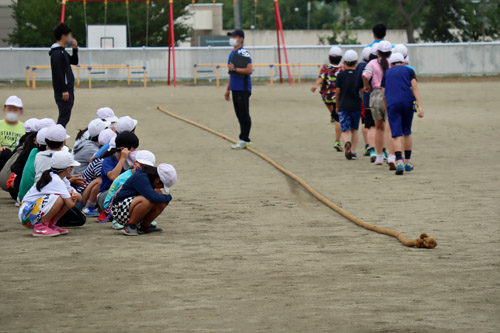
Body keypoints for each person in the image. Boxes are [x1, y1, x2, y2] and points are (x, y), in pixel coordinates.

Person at [19, 151, 82, 237]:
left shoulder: (61, 179)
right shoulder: (56, 180)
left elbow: (80, 198)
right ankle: (40, 227)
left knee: (63, 198)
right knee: (59, 198)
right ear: (68, 169)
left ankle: (50, 224)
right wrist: (73, 197)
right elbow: (71, 204)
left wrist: (74, 195)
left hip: (30, 213)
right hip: (26, 215)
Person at [382, 53, 424, 175]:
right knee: (407, 131)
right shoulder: (409, 71)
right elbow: (415, 88)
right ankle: (408, 162)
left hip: (393, 104)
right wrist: (420, 106)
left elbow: (384, 94)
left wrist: (386, 109)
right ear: (403, 62)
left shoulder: (387, 73)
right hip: (407, 102)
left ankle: (399, 160)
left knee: (396, 133)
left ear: (391, 63)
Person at [113, 163, 176, 236]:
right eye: (162, 185)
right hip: (119, 209)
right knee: (147, 201)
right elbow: (152, 197)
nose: (161, 188)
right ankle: (130, 225)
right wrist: (169, 197)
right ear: (157, 180)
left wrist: (164, 198)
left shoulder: (147, 175)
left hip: (131, 207)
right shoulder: (141, 177)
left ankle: (144, 226)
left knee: (161, 201)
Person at [103, 150, 156, 230]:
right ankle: (116, 221)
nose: (144, 169)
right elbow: (117, 196)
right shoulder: (127, 177)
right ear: (135, 163)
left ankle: (142, 220)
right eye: (142, 165)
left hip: (125, 203)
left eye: (147, 167)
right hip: (112, 206)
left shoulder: (142, 176)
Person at [363, 40, 393, 167]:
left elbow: (365, 75)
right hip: (390, 95)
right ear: (390, 52)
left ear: (377, 52)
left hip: (375, 95)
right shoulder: (393, 63)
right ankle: (392, 156)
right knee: (390, 128)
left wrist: (366, 87)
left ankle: (379, 156)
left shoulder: (372, 63)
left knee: (379, 128)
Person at [311, 46, 344, 151]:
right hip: (338, 97)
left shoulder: (325, 68)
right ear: (340, 58)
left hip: (327, 96)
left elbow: (321, 77)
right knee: (338, 118)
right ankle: (337, 141)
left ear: (329, 58)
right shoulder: (342, 69)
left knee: (330, 107)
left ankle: (333, 114)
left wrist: (316, 86)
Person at [224, 29, 253, 150]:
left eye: (235, 36)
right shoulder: (232, 53)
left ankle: (244, 138)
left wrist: (235, 69)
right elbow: (231, 73)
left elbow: (249, 70)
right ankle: (243, 138)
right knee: (239, 114)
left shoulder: (243, 52)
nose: (232, 39)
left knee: (243, 114)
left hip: (243, 88)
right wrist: (228, 89)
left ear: (241, 39)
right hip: (235, 88)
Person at [96, 131, 139, 211]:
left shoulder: (131, 162)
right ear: (123, 149)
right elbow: (114, 177)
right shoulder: (108, 161)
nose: (134, 151)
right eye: (133, 149)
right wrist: (123, 159)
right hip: (106, 194)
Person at [50, 23, 78, 128]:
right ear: (63, 36)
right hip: (64, 91)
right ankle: (57, 136)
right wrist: (63, 90)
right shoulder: (57, 53)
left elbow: (74, 61)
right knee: (64, 117)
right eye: (69, 35)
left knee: (65, 116)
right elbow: (58, 73)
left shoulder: (62, 52)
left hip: (68, 89)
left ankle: (58, 135)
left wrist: (75, 49)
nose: (71, 38)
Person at [336, 50, 363, 160]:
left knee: (345, 130)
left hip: (343, 105)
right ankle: (354, 152)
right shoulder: (359, 75)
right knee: (354, 130)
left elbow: (338, 92)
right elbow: (362, 91)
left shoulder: (340, 75)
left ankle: (347, 142)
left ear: (344, 62)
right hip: (356, 106)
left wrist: (337, 106)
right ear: (356, 62)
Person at [356, 47, 376, 159]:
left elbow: (358, 84)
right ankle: (382, 150)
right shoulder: (383, 64)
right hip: (380, 98)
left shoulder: (362, 66)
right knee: (380, 125)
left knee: (367, 123)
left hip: (366, 99)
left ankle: (369, 145)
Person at [0, 96, 25, 170]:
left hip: (16, 159)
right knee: (5, 152)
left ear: (21, 112)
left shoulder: (25, 127)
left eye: (15, 110)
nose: (12, 112)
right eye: (9, 109)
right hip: (1, 157)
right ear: (4, 110)